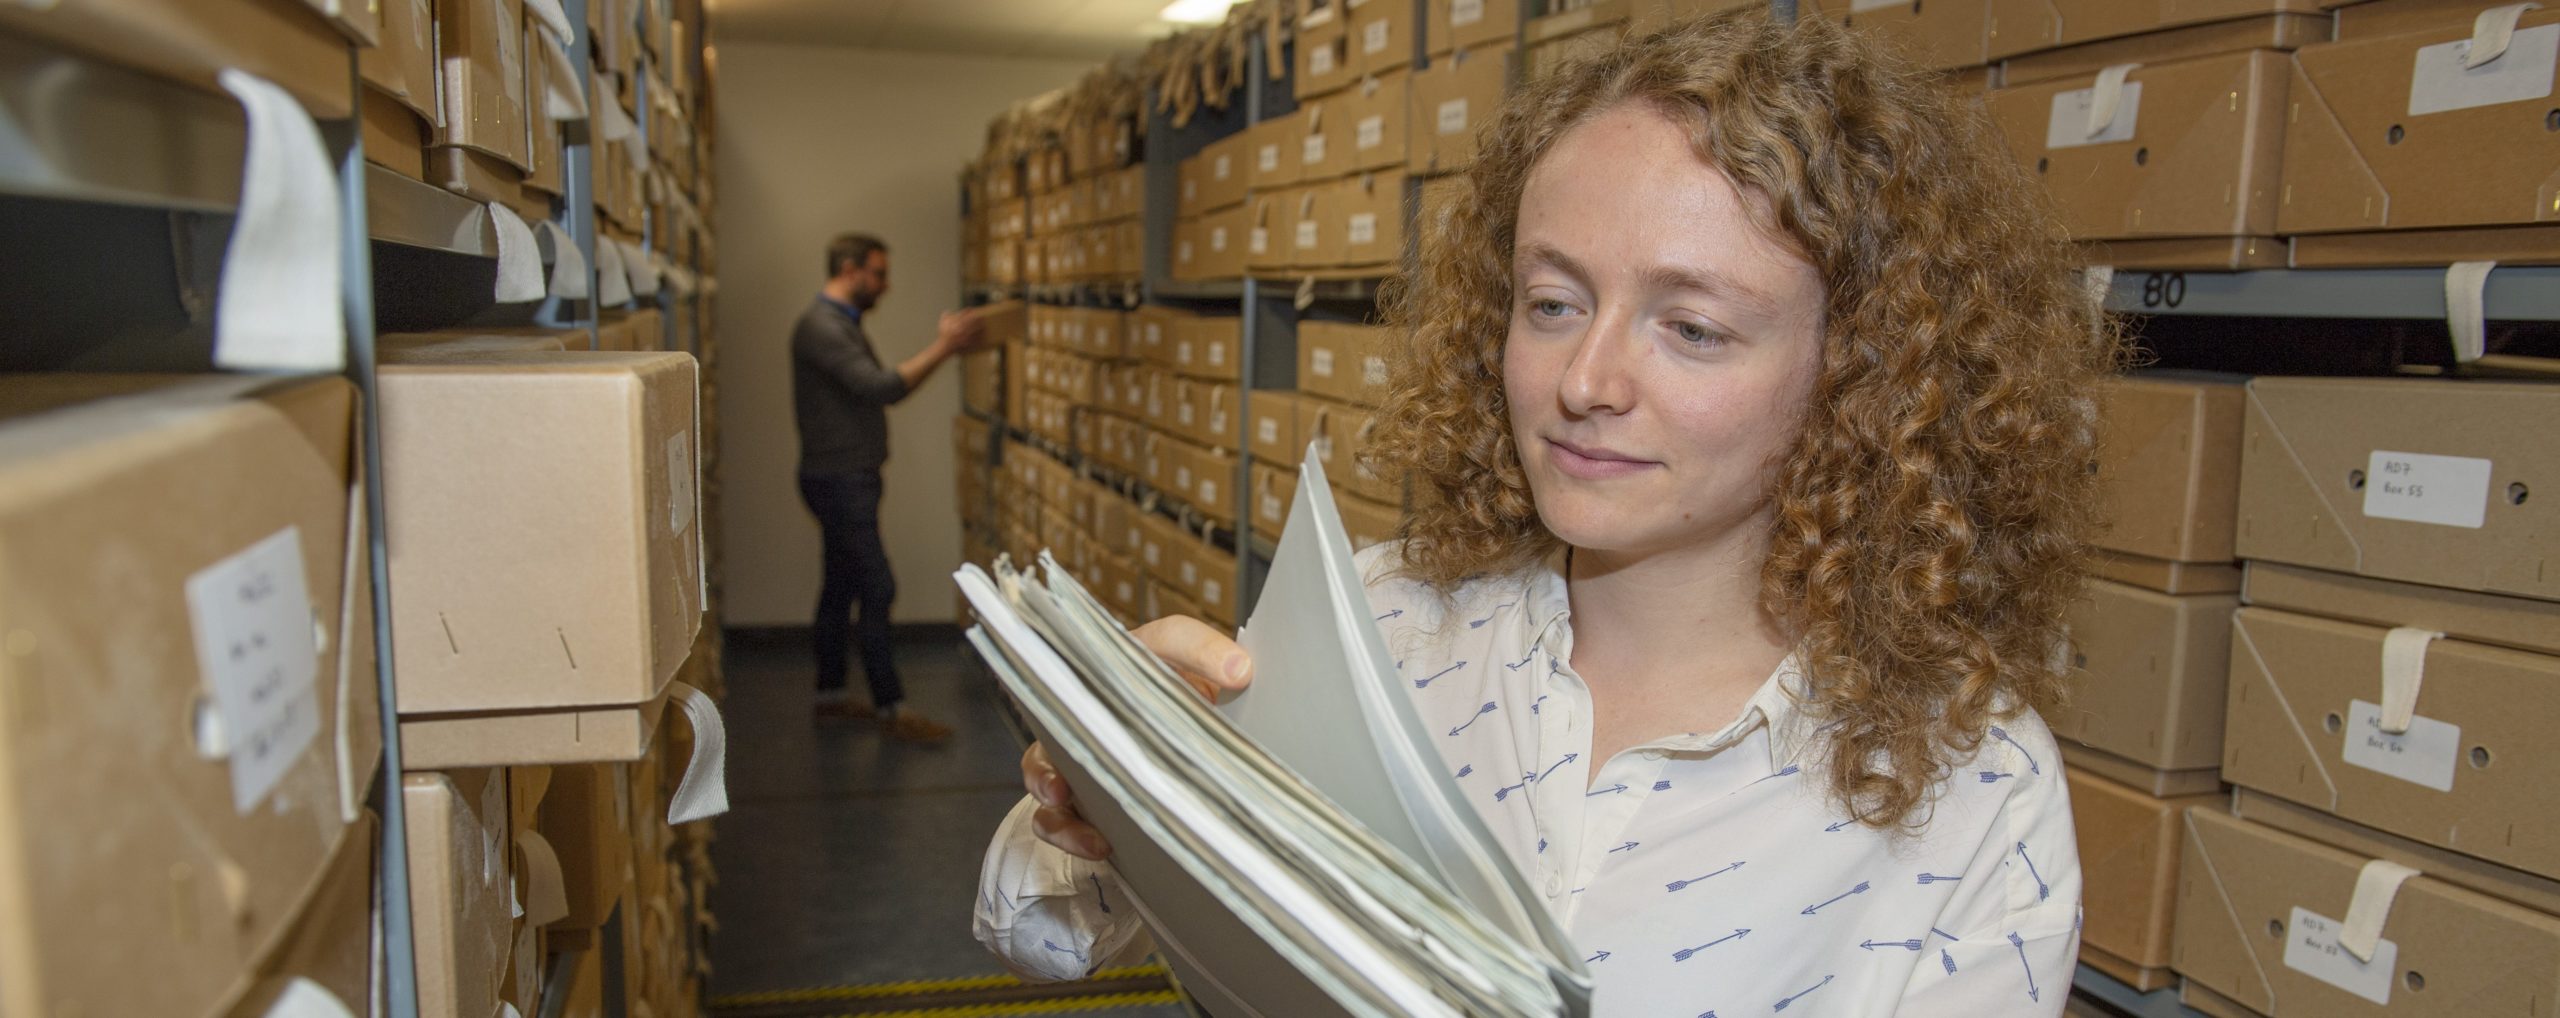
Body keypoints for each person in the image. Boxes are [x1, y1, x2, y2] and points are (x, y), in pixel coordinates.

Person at [975, 10, 2116, 1015]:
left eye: (1694, 328)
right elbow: (1038, 939)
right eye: (1553, 302)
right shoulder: (1384, 626)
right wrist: (1107, 786)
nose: (1587, 380)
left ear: (1862, 375)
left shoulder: (1972, 789)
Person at [794, 232, 986, 743]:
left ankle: (830, 697)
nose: (886, 285)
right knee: (877, 585)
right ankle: (892, 708)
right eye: (878, 274)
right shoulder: (822, 328)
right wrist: (945, 346)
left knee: (840, 584)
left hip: (844, 477)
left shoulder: (839, 323)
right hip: (839, 481)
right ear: (851, 270)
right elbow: (879, 388)